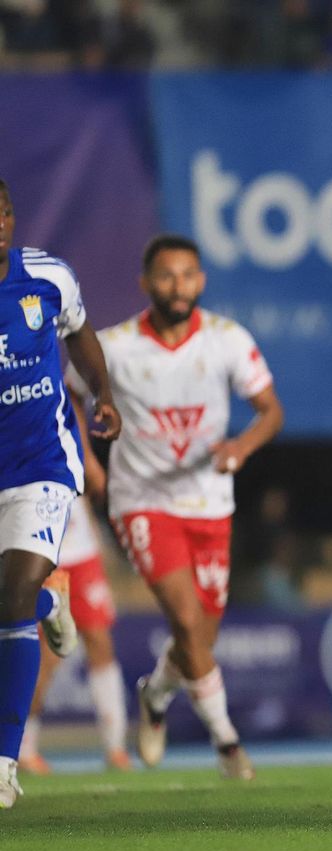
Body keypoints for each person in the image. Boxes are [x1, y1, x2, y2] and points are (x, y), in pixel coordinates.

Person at [99, 233, 284, 779]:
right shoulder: (113, 346)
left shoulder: (227, 339)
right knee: (183, 617)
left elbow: (270, 411)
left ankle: (155, 694)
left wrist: (240, 447)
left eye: (187, 276)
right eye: (166, 276)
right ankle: (227, 743)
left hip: (209, 502)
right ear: (145, 283)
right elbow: (68, 403)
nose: (177, 287)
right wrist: (90, 470)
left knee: (200, 636)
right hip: (142, 500)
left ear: (200, 281)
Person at [0, 177, 121, 810]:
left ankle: (4, 762)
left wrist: (103, 395)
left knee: (11, 595)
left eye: (3, 212)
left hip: (42, 465)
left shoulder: (48, 277)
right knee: (17, 600)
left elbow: (79, 332)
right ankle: (49, 603)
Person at [18, 494, 131, 774]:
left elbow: (87, 488)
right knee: (45, 656)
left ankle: (116, 747)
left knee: (100, 642)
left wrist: (97, 542)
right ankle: (23, 748)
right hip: (43, 554)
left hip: (83, 554)